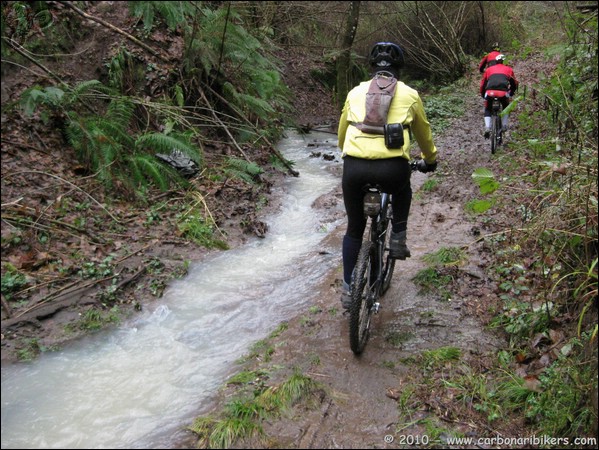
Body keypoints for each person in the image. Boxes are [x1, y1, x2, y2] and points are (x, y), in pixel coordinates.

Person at [337, 42, 438, 310]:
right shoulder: (410, 94)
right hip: (393, 169)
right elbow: (423, 133)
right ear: (398, 68)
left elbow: (342, 132)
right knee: (403, 189)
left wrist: (347, 152)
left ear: (372, 67)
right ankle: (398, 238)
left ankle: (349, 289)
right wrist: (430, 160)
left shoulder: (355, 92)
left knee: (354, 229)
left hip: (354, 169)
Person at [480, 53, 519, 137]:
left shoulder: (489, 69)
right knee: (505, 106)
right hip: (503, 93)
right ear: (505, 62)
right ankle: (504, 125)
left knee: (488, 108)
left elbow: (483, 84)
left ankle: (487, 127)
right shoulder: (509, 69)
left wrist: (483, 94)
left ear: (496, 61)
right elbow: (514, 84)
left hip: (490, 92)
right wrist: (511, 93)